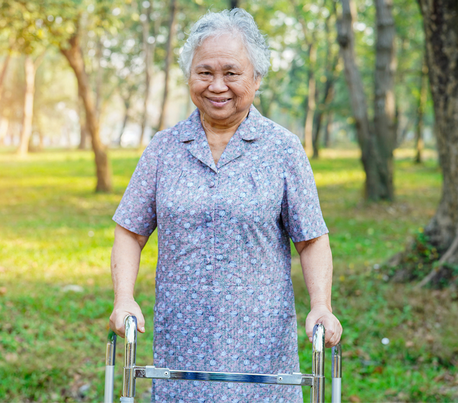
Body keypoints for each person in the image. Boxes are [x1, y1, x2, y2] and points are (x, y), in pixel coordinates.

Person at [109, 8, 342, 402]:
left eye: (231, 73)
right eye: (205, 72)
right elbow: (130, 231)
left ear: (256, 78)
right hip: (182, 348)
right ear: (189, 77)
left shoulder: (282, 149)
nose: (218, 85)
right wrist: (124, 298)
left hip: (262, 352)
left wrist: (321, 305)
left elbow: (311, 240)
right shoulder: (164, 148)